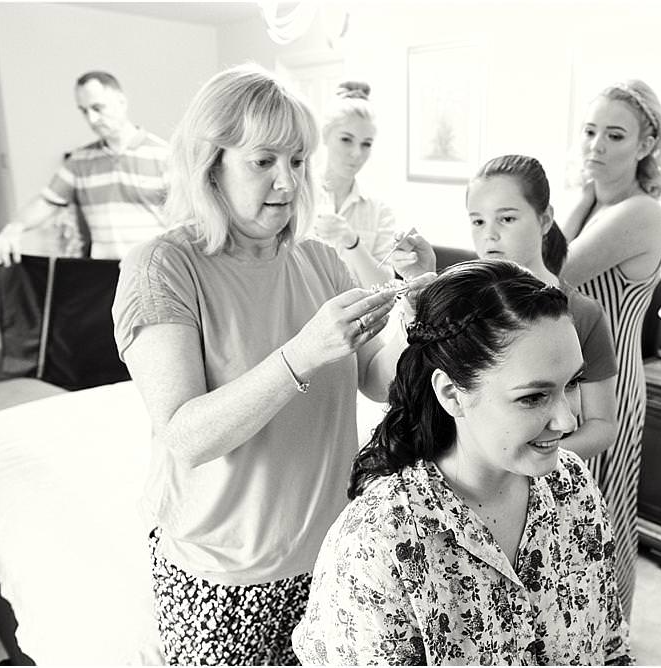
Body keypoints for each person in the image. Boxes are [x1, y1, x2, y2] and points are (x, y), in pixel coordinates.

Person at [111, 63, 433, 665]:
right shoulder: (163, 267)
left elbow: (379, 379)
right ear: (212, 162)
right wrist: (301, 354)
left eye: (298, 160)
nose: (286, 183)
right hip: (224, 575)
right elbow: (185, 436)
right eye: (264, 161)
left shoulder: (322, 260)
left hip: (332, 552)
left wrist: (420, 309)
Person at [293, 259, 633, 666]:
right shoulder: (378, 543)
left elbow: (610, 649)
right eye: (533, 397)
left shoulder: (572, 485)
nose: (568, 420)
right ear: (452, 394)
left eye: (572, 384)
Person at [558, 79, 661, 620]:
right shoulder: (589, 206)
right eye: (590, 131)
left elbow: (547, 274)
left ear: (645, 146)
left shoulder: (641, 214)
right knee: (558, 517)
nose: (596, 146)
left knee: (600, 515)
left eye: (615, 135)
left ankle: (608, 638)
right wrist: (583, 193)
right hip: (565, 382)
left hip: (612, 386)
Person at [466, 154, 619, 461]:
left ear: (545, 219)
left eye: (506, 219)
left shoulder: (583, 314)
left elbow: (602, 426)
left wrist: (531, 457)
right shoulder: (463, 306)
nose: (489, 234)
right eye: (478, 221)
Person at [0, 71, 168, 264]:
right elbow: (47, 202)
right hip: (105, 277)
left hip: (154, 271)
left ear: (121, 101)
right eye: (84, 111)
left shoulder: (165, 155)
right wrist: (14, 227)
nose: (92, 119)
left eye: (98, 108)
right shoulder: (79, 162)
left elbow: (187, 220)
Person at [308, 81, 399, 287]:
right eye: (346, 140)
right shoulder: (299, 195)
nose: (357, 154)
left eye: (366, 144)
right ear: (325, 135)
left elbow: (384, 286)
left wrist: (352, 240)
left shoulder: (379, 211)